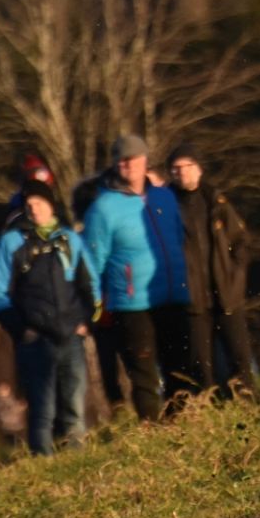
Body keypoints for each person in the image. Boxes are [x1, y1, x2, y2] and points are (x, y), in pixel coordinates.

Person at [0, 180, 97, 453]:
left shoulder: (69, 240)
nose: (34, 209)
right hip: (35, 341)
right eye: (29, 205)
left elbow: (90, 286)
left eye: (40, 203)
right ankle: (44, 468)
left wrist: (85, 322)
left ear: (51, 205)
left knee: (74, 408)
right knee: (42, 411)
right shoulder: (11, 242)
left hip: (71, 336)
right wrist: (21, 329)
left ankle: (76, 464)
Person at [84, 135, 188, 421]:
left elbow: (179, 239)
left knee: (177, 365)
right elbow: (92, 262)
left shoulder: (165, 197)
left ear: (145, 161)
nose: (127, 164)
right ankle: (152, 432)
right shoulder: (104, 208)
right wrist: (93, 303)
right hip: (132, 303)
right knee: (143, 374)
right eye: (121, 160)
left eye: (133, 158)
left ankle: (183, 424)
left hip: (171, 295)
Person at [168, 145, 255, 396]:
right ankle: (208, 416)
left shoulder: (216, 200)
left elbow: (241, 241)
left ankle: (248, 407)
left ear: (199, 169)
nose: (182, 173)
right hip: (192, 300)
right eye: (176, 168)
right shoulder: (167, 206)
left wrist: (236, 277)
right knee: (200, 367)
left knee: (240, 358)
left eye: (187, 166)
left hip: (226, 294)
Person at [0, 381, 27, 451]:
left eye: (4, 390)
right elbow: (12, 409)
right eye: (0, 390)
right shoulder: (0, 402)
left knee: (18, 445)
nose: (2, 392)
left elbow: (15, 408)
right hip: (9, 427)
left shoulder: (11, 399)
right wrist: (21, 407)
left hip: (16, 427)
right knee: (11, 445)